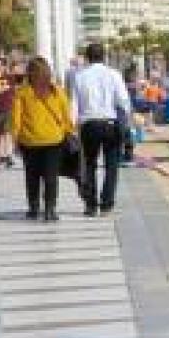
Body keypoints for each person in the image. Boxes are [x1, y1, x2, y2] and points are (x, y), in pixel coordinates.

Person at [68, 43, 132, 217]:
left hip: (89, 124)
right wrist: (127, 124)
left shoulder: (79, 76)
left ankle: (90, 205)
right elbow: (123, 101)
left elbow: (74, 103)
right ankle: (106, 204)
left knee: (89, 165)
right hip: (111, 123)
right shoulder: (114, 74)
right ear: (104, 56)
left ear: (87, 57)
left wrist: (72, 126)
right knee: (112, 165)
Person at [11, 56, 76, 221]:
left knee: (31, 175)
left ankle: (33, 208)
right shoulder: (57, 91)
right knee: (51, 175)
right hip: (54, 140)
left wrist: (15, 139)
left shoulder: (22, 93)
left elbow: (16, 119)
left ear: (29, 73)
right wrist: (69, 131)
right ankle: (50, 209)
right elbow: (66, 115)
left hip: (29, 141)